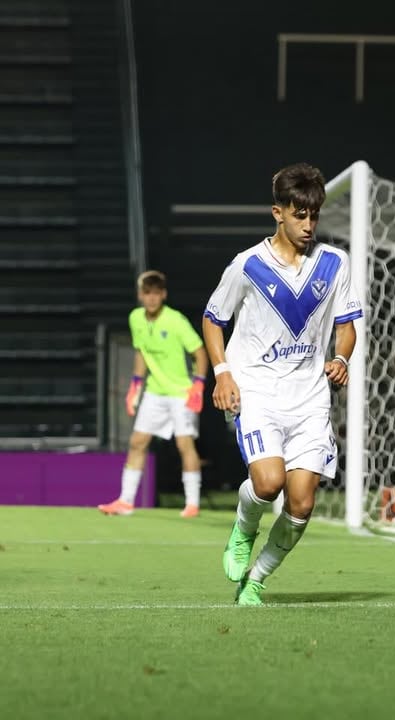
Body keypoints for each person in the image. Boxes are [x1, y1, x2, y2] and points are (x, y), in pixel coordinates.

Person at [202, 163, 362, 606]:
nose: (309, 225)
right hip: (257, 393)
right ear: (278, 212)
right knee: (268, 483)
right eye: (299, 215)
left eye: (314, 216)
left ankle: (256, 579)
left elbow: (348, 323)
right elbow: (214, 319)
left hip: (310, 400)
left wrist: (341, 356)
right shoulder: (248, 265)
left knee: (302, 504)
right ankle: (243, 527)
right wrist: (223, 372)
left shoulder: (335, 263)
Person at [99, 270, 208, 517]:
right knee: (137, 442)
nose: (151, 299)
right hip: (154, 392)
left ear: (163, 295)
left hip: (181, 393)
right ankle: (126, 502)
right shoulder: (136, 318)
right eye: (147, 294)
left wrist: (198, 385)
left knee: (184, 445)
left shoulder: (176, 321)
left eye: (156, 294)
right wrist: (135, 385)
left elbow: (200, 353)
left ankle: (192, 504)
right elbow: (141, 353)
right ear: (140, 295)